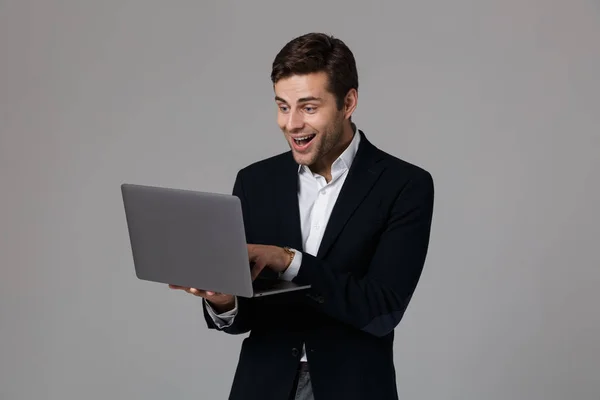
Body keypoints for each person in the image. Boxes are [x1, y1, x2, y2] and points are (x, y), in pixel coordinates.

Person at [169, 32, 435, 400]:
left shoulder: (405, 185)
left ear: (349, 102)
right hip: (261, 387)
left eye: (308, 107)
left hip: (354, 388)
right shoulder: (254, 181)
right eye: (282, 106)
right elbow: (246, 315)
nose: (291, 123)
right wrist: (221, 299)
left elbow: (382, 310)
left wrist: (289, 260)